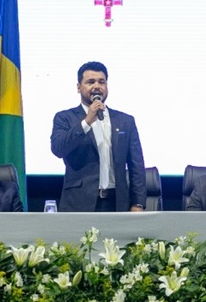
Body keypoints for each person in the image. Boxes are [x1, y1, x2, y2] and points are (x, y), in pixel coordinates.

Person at [50, 61, 146, 212]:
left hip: (117, 203)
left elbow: (136, 165)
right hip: (79, 203)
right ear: (78, 87)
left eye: (102, 82)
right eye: (90, 82)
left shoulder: (125, 121)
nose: (97, 86)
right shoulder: (65, 118)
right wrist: (87, 121)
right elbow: (58, 149)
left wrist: (138, 203)